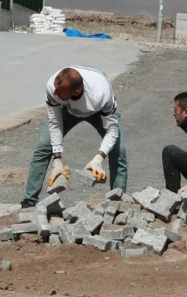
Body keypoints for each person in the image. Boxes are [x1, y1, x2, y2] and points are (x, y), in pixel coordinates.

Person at [22, 66, 127, 206]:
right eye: (55, 90)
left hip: (98, 111)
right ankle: (29, 203)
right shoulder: (54, 87)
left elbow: (112, 131)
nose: (55, 94)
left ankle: (117, 205)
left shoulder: (101, 94)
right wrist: (57, 158)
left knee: (119, 152)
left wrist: (98, 159)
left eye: (59, 93)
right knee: (44, 146)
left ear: (76, 91)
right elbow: (54, 122)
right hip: (68, 110)